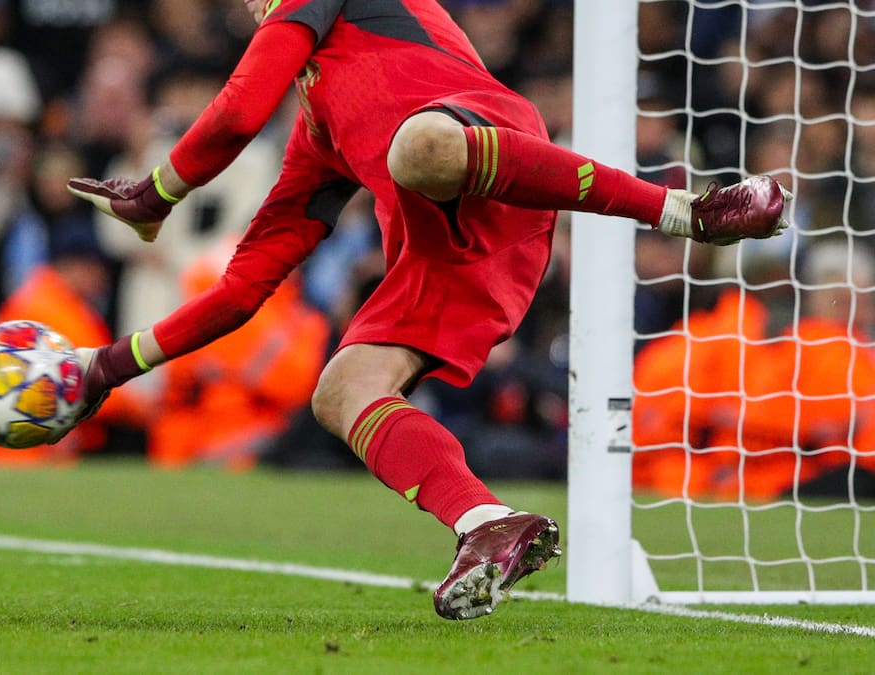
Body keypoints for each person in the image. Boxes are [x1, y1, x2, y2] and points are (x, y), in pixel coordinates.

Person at [65, 0, 792, 619]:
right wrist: (106, 365)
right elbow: (241, 287)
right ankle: (488, 523)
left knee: (418, 147)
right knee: (341, 390)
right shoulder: (318, 128)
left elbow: (236, 110)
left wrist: (156, 191)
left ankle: (688, 210)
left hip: (490, 153)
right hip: (448, 248)